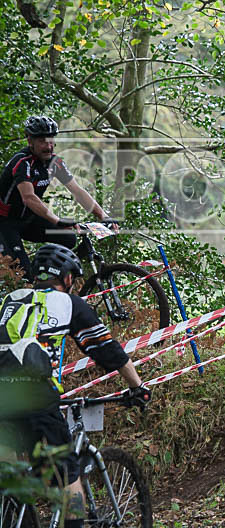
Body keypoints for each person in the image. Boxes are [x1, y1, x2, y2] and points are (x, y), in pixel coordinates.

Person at [0, 243, 151, 528]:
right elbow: (107, 350)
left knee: (12, 476)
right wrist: (137, 386)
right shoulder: (69, 304)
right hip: (37, 397)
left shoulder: (9, 300)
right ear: (68, 279)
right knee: (67, 475)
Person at [0, 116, 113, 279]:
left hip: (29, 219)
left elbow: (77, 190)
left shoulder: (55, 162)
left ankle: (46, 273)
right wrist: (56, 220)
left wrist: (103, 215)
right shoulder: (22, 162)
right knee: (22, 274)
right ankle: (28, 276)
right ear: (29, 140)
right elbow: (29, 197)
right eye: (43, 142)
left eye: (51, 141)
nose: (49, 146)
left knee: (68, 238)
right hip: (6, 222)